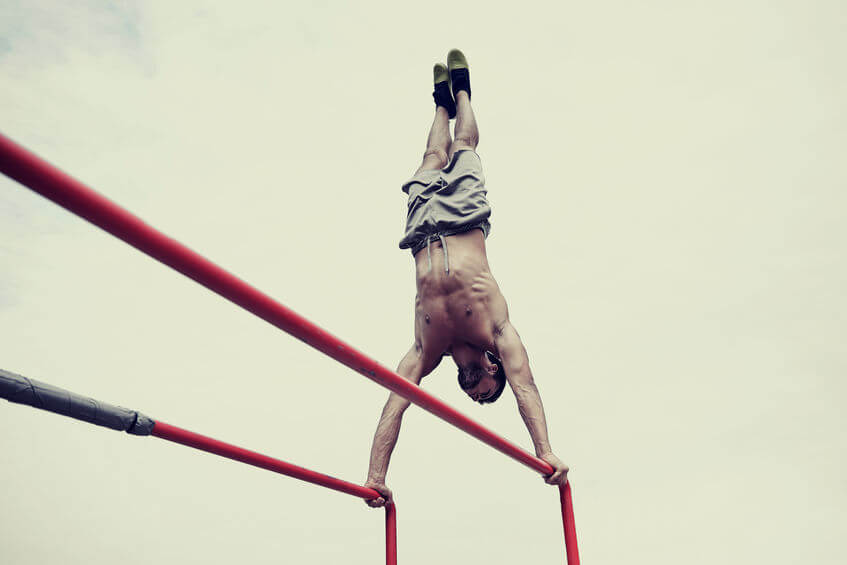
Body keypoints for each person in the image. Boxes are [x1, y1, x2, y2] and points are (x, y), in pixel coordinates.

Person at [363, 49, 568, 508]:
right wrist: (546, 451)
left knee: (433, 154)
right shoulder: (496, 329)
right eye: (483, 391)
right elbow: (527, 388)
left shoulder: (425, 350)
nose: (474, 393)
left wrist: (375, 476)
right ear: (493, 368)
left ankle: (439, 101)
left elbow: (394, 403)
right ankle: (461, 91)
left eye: (474, 396)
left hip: (421, 232)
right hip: (463, 217)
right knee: (465, 147)